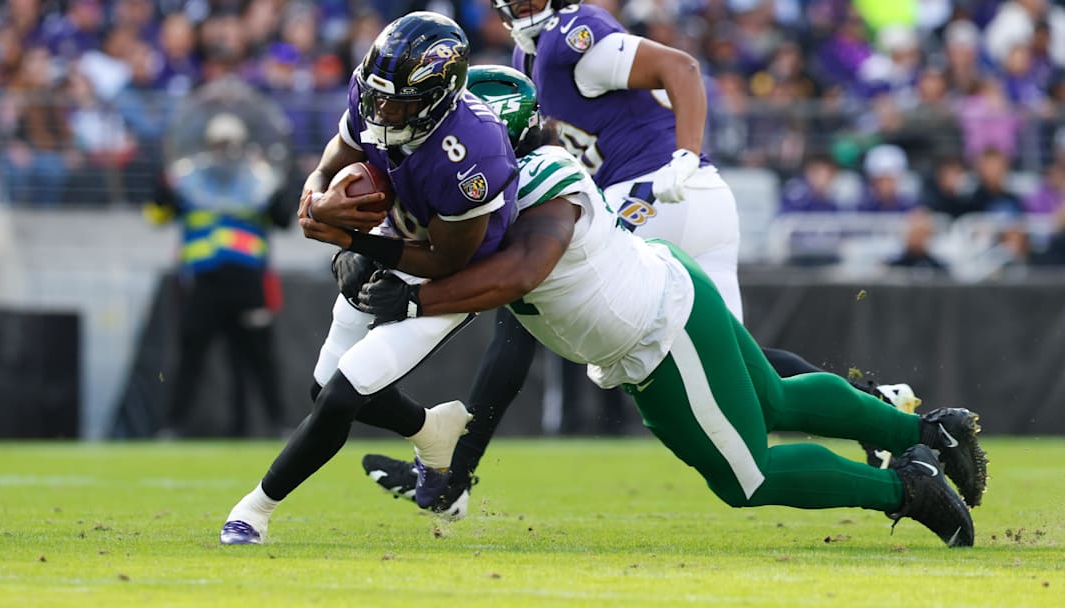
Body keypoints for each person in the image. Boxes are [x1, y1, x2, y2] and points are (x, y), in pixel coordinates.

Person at [343, 69, 987, 547]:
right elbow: (451, 243)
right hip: (662, 301)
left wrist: (413, 296)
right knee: (776, 399)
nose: (455, 144)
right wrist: (363, 241)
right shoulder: (503, 181)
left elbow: (514, 271)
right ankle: (931, 433)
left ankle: (908, 489)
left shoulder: (539, 183)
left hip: (658, 330)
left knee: (748, 478)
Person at [217, 12, 520, 545]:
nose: (381, 112)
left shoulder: (472, 150)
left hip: (452, 278)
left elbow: (448, 259)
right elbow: (330, 164)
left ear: (437, 99)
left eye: (398, 104)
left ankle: (253, 512)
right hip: (395, 236)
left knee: (342, 396)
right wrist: (316, 201)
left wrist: (354, 242)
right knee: (324, 390)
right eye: (378, 98)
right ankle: (430, 430)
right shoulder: (374, 98)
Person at [151, 108, 292, 439]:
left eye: (230, 143)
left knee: (259, 358)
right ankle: (172, 426)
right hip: (204, 283)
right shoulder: (189, 180)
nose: (225, 150)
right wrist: (164, 186)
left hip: (248, 282)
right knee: (191, 356)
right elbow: (156, 216)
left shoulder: (260, 181)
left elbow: (284, 220)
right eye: (219, 143)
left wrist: (278, 189)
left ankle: (278, 424)